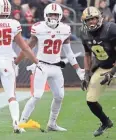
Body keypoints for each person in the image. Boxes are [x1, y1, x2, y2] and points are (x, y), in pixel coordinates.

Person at [15, 3, 85, 132]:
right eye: (51, 15)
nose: (53, 17)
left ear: (60, 16)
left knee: (59, 96)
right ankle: (21, 123)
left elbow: (69, 52)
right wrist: (16, 63)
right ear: (45, 15)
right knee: (37, 95)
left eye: (56, 15)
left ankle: (52, 124)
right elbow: (27, 48)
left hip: (56, 67)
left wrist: (78, 69)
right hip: (41, 65)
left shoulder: (64, 29)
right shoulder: (39, 28)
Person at [0, 0, 39, 133]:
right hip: (8, 62)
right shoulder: (14, 24)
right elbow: (25, 47)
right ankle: (16, 123)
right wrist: (36, 61)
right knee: (11, 95)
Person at [80, 6, 116, 137]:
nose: (92, 22)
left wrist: (112, 73)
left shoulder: (110, 29)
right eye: (89, 20)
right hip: (104, 67)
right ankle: (106, 122)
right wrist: (86, 73)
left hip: (112, 67)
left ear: (99, 18)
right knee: (90, 99)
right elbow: (87, 54)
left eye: (94, 18)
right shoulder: (84, 33)